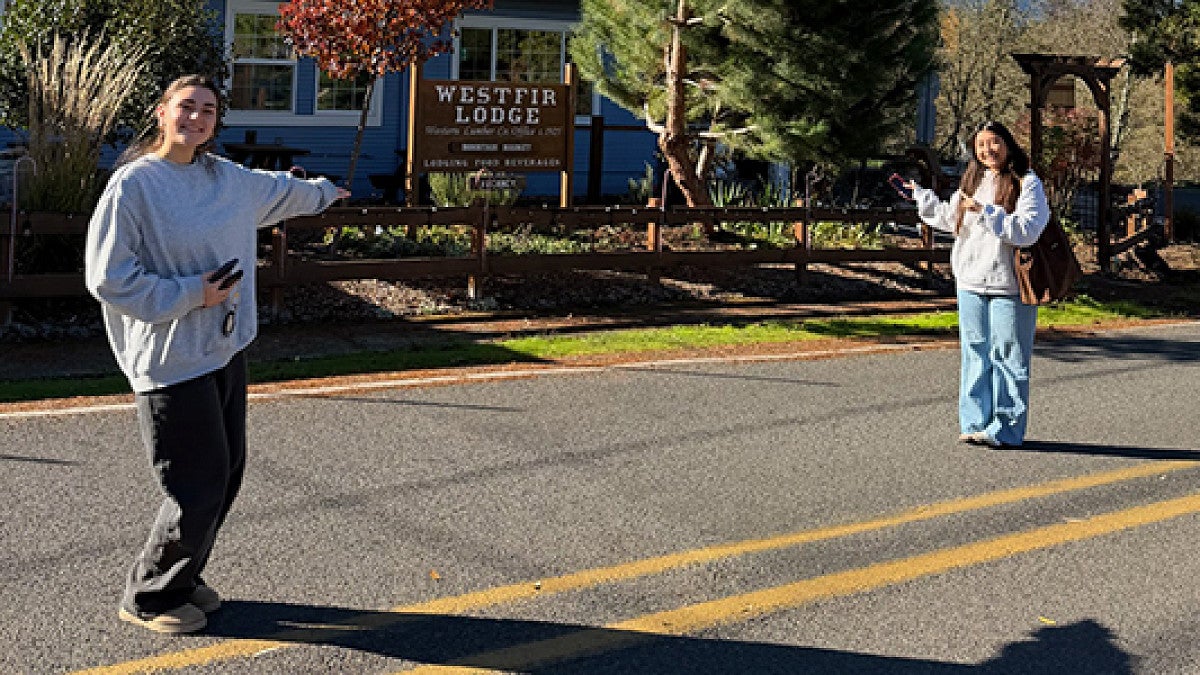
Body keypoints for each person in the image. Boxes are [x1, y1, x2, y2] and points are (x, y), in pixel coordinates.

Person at [84, 74, 349, 634]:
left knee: (225, 474)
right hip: (171, 359)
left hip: (224, 350)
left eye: (208, 110)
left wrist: (325, 193)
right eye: (186, 106)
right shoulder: (135, 187)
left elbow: (280, 190)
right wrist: (190, 294)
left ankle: (184, 577)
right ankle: (151, 595)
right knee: (194, 485)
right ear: (162, 113)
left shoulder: (223, 177)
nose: (196, 118)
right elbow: (108, 277)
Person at [904, 120, 1049, 448]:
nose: (988, 150)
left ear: (1008, 144)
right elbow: (948, 218)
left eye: (994, 142)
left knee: (1010, 357)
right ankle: (974, 423)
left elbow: (1027, 230)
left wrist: (986, 211)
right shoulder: (973, 180)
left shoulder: (1027, 183)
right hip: (969, 280)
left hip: (1008, 285)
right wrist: (921, 196)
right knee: (975, 354)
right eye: (981, 145)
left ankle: (1007, 431)